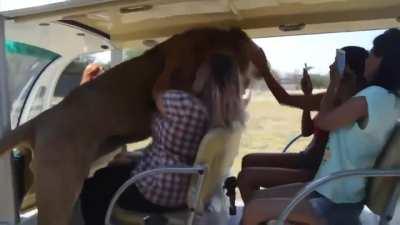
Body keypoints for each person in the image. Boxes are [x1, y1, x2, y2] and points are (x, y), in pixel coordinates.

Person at [242, 28, 400, 225]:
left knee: (254, 209)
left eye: (373, 53)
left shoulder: (370, 96)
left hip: (336, 201)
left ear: (384, 60)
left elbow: (322, 122)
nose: (369, 59)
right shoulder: (390, 99)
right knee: (256, 202)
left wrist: (333, 83)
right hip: (330, 191)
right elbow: (313, 127)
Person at [79, 53, 246, 225]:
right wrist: (136, 159)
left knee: (94, 186)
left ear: (208, 77)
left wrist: (168, 68)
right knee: (113, 172)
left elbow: (155, 92)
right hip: (184, 189)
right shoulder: (228, 118)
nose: (195, 74)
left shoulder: (186, 104)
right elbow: (177, 152)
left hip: (159, 191)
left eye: (200, 71)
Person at [237, 46, 369, 202]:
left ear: (346, 70)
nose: (331, 67)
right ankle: (263, 214)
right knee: (248, 160)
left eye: (335, 63)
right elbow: (307, 131)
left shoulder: (346, 101)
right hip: (306, 158)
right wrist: (307, 95)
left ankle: (260, 215)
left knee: (246, 178)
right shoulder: (333, 97)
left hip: (314, 170)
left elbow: (284, 99)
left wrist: (264, 70)